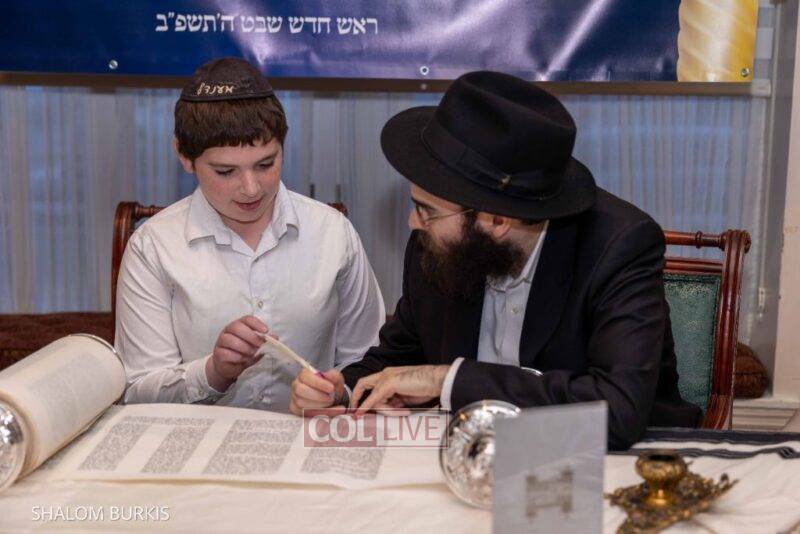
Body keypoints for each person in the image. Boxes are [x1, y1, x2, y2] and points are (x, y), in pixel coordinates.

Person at [289, 71, 701, 449]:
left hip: (611, 461)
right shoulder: (439, 244)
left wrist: (448, 380)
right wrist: (342, 389)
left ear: (497, 220)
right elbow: (401, 354)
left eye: (427, 210)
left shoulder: (618, 247)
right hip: (468, 456)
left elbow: (618, 410)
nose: (414, 222)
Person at [115, 57, 385, 412]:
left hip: (306, 438)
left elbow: (371, 362)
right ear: (183, 155)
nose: (252, 188)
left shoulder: (332, 233)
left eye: (266, 164)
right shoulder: (153, 246)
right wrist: (213, 373)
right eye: (225, 171)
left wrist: (339, 392)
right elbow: (137, 391)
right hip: (199, 442)